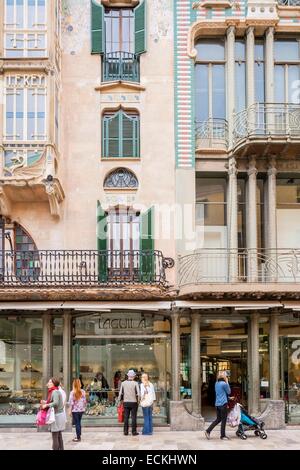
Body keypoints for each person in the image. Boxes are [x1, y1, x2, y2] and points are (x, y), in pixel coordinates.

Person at [204, 371, 231, 440]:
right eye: (226, 376)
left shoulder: (216, 383)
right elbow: (229, 392)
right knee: (224, 420)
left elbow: (221, 393)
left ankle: (208, 431)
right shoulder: (224, 384)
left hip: (217, 404)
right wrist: (227, 382)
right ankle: (223, 435)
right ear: (224, 377)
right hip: (223, 403)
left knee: (218, 419)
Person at [41, 377, 66, 450]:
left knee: (55, 435)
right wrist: (46, 402)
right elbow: (55, 401)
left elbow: (56, 403)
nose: (47, 384)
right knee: (58, 435)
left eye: (49, 382)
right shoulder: (56, 391)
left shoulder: (54, 391)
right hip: (59, 415)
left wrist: (46, 405)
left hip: (56, 416)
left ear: (53, 384)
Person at [118, 369, 140, 436]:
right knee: (133, 417)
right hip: (134, 402)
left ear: (128, 376)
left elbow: (120, 393)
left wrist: (120, 401)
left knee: (126, 417)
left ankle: (125, 431)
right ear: (133, 376)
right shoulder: (136, 383)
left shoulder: (123, 383)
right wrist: (138, 401)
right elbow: (138, 394)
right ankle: (134, 432)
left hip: (126, 402)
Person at [68, 378, 87, 442]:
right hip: (81, 410)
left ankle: (78, 437)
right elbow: (85, 402)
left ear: (74, 384)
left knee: (77, 423)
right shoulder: (83, 391)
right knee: (79, 422)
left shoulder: (72, 392)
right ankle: (79, 434)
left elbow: (71, 403)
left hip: (75, 411)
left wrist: (69, 411)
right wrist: (84, 408)